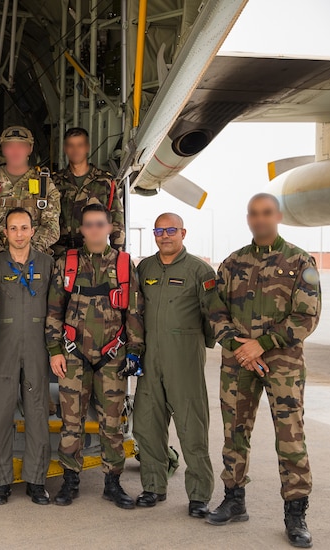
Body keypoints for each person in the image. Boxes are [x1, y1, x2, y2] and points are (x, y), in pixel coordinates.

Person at [207, 193, 320, 549]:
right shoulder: (232, 262)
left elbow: (306, 316)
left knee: (290, 436)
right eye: (254, 214)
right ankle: (234, 498)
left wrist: (263, 343)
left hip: (282, 363)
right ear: (248, 218)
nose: (260, 219)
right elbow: (215, 310)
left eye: (266, 213)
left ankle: (295, 512)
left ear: (278, 216)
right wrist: (238, 346)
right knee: (234, 431)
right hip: (238, 362)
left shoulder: (300, 261)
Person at [46, 202, 144, 509]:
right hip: (73, 355)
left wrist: (135, 351)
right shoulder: (67, 263)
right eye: (88, 224)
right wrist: (53, 350)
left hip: (112, 356)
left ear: (110, 227)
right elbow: (53, 309)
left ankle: (112, 482)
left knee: (112, 422)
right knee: (71, 421)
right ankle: (70, 480)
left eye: (99, 224)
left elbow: (135, 312)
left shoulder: (125, 265)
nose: (94, 230)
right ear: (82, 229)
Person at [132, 213, 216, 517]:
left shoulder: (199, 270)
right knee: (147, 424)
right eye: (159, 230)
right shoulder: (145, 268)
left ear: (183, 232)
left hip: (184, 358)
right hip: (149, 357)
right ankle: (153, 487)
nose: (165, 236)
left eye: (171, 230)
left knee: (192, 427)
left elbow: (213, 316)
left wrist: (194, 345)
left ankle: (199, 495)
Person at [0, 208, 53, 506]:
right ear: (5, 233)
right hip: (3, 346)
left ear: (33, 231)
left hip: (37, 346)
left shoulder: (48, 264)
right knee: (0, 414)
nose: (19, 233)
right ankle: (0, 482)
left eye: (24, 228)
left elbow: (56, 308)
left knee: (37, 413)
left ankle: (36, 480)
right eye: (13, 228)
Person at [0, 125, 60, 258]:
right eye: (10, 146)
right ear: (3, 150)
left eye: (21, 146)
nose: (15, 151)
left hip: (34, 260)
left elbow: (51, 227)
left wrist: (27, 253)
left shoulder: (44, 184)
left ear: (30, 149)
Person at [52, 127, 124, 253]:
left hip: (92, 251)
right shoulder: (54, 182)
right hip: (60, 252)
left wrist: (118, 253)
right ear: (65, 148)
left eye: (80, 145)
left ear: (87, 147)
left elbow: (116, 218)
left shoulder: (105, 181)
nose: (75, 150)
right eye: (71, 145)